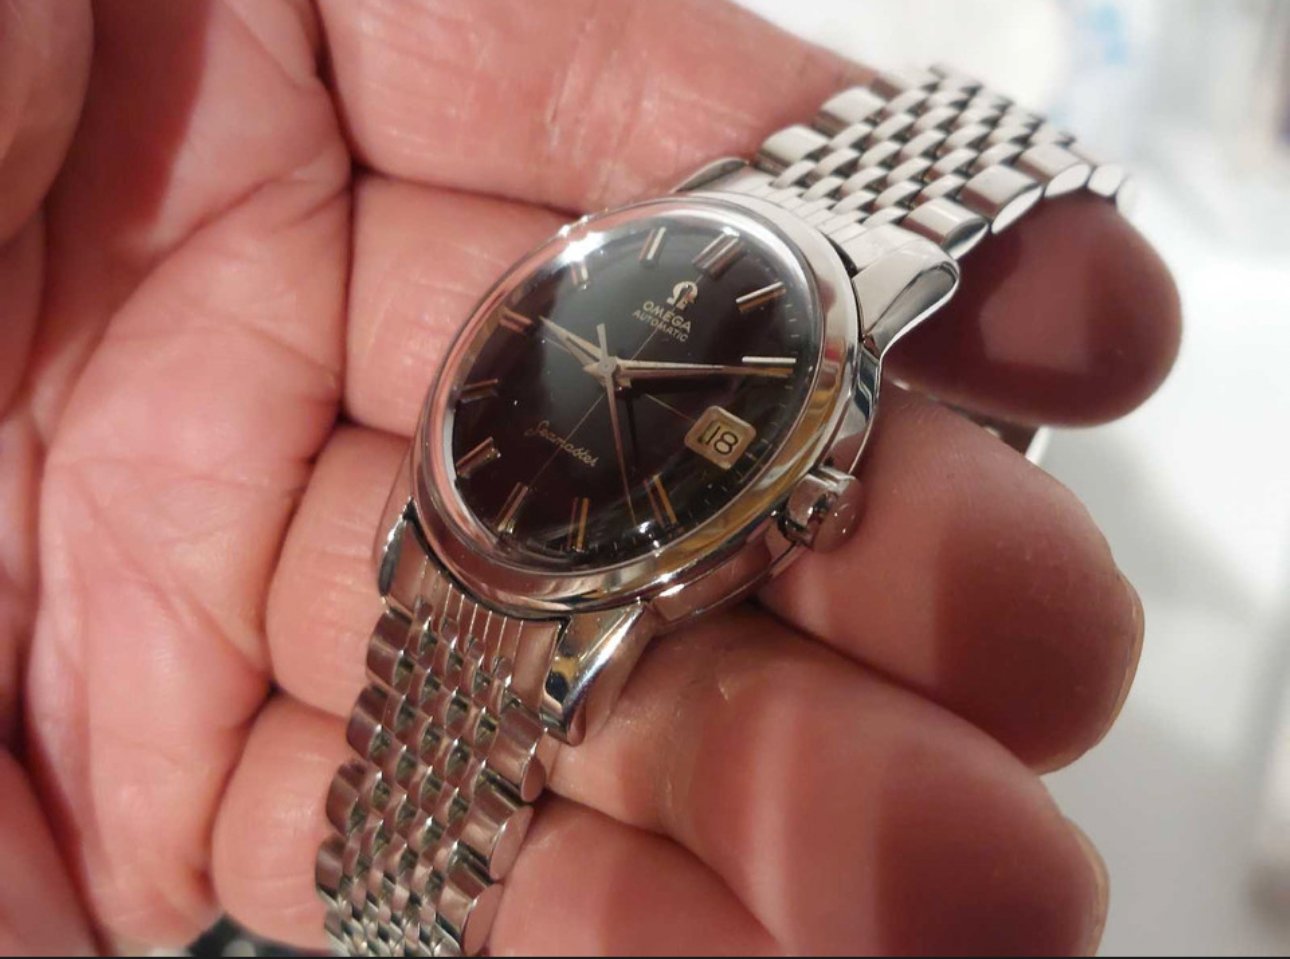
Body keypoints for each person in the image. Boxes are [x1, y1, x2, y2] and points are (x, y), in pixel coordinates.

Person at [0, 0, 1182, 954]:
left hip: (585, 536)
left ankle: (391, 918)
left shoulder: (826, 338)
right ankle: (389, 912)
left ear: (814, 504)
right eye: (609, 361)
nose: (615, 368)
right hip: (485, 513)